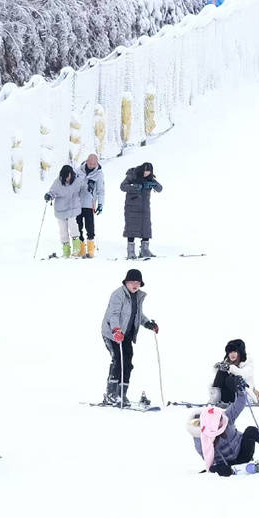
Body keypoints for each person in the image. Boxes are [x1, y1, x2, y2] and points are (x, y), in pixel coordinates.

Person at [190, 391, 259, 475]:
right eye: (217, 421)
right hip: (228, 464)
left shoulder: (226, 417)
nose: (222, 421)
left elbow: (239, 404)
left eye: (220, 418)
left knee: (251, 430)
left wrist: (240, 390)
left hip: (243, 452)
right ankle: (244, 469)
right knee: (215, 468)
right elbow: (207, 458)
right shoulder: (202, 438)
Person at [100, 269, 157, 407]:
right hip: (112, 333)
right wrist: (116, 330)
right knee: (118, 361)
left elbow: (138, 315)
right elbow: (113, 315)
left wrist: (148, 323)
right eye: (132, 282)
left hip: (126, 335)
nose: (135, 285)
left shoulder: (137, 296)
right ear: (126, 282)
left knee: (128, 364)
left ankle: (121, 394)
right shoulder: (118, 295)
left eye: (138, 282)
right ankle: (111, 395)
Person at [120, 162, 162, 260]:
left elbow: (160, 188)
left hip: (145, 208)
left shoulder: (150, 178)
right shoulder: (132, 175)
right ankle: (130, 251)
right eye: (145, 171)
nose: (146, 173)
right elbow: (122, 186)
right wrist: (135, 187)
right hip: (132, 207)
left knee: (146, 227)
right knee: (131, 228)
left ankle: (145, 249)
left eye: (148, 171)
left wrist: (153, 184)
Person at [48, 164, 88, 259]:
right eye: (65, 177)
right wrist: (49, 195)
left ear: (72, 174)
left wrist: (89, 186)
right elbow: (52, 192)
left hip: (73, 207)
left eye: (69, 176)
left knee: (73, 225)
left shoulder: (77, 181)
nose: (67, 179)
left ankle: (76, 248)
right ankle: (66, 251)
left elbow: (84, 186)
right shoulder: (58, 182)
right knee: (63, 230)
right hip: (60, 209)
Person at [208, 339, 259, 408]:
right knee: (222, 372)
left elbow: (243, 374)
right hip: (228, 397)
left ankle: (240, 400)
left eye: (234, 351)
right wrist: (218, 367)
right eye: (230, 352)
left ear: (239, 352)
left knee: (232, 378)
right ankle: (215, 398)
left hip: (243, 395)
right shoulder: (227, 362)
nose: (232, 354)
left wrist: (229, 368)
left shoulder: (248, 363)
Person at [75, 153, 105, 259]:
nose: (92, 165)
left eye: (94, 164)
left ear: (97, 163)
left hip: (89, 204)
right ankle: (81, 250)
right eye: (90, 163)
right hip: (77, 203)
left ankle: (91, 250)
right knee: (78, 227)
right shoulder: (78, 171)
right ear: (86, 161)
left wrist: (100, 204)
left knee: (90, 227)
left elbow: (101, 191)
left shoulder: (99, 174)